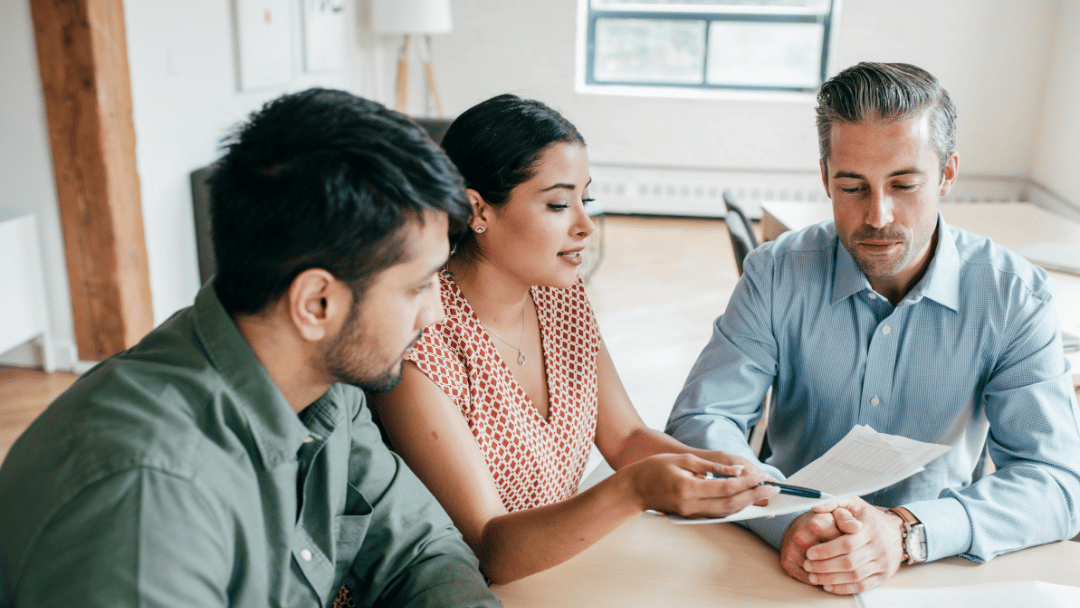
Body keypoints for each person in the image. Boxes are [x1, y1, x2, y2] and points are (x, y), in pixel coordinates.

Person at [0, 89, 501, 608]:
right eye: (418, 287)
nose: (436, 313)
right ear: (316, 303)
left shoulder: (327, 384)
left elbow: (421, 549)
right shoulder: (147, 497)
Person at [666, 61, 1080, 595]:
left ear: (947, 174)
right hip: (785, 557)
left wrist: (907, 531)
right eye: (852, 186)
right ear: (825, 178)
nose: (879, 216)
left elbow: (1057, 482)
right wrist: (784, 515)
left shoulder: (1014, 296)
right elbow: (701, 420)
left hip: (938, 566)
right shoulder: (775, 273)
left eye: (904, 184)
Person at [368, 93, 778, 585]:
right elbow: (489, 550)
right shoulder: (419, 336)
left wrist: (718, 468)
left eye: (586, 199)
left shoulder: (559, 296)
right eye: (559, 204)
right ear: (479, 210)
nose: (585, 226)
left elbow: (625, 438)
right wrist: (633, 491)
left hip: (551, 575)